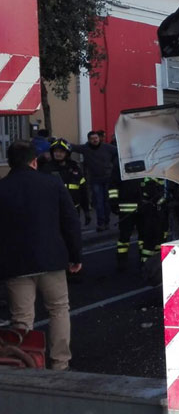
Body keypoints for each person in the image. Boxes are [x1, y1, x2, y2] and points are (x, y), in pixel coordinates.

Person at [0, 140, 82, 371]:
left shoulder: (2, 188)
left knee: (22, 318)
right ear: (34, 161)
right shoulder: (52, 184)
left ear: (9, 162)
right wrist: (75, 256)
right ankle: (60, 363)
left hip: (16, 265)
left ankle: (26, 364)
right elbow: (70, 222)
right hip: (52, 260)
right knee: (58, 309)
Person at [72, 130, 116, 231]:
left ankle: (107, 222)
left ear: (99, 138)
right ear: (89, 140)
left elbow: (118, 152)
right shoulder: (85, 148)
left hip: (108, 179)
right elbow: (73, 147)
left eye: (96, 138)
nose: (95, 140)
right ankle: (101, 223)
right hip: (95, 180)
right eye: (92, 139)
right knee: (99, 203)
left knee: (107, 202)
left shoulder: (107, 147)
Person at [39, 138, 91, 226]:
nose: (58, 154)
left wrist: (86, 211)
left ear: (67, 153)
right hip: (53, 212)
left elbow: (83, 191)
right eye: (56, 151)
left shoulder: (75, 168)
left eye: (61, 152)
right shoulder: (46, 169)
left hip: (73, 211)